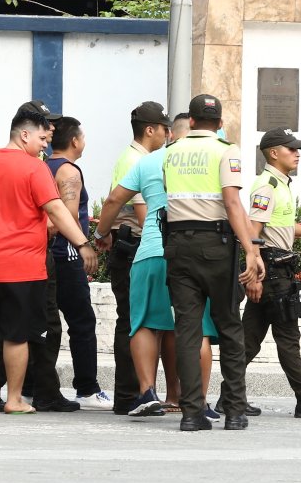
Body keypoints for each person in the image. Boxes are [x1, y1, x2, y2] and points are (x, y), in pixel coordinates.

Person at [0, 109, 98, 414]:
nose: (46, 145)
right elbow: (57, 211)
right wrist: (83, 243)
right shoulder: (34, 169)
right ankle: (15, 399)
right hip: (20, 265)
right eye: (43, 138)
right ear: (24, 135)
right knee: (17, 333)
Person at [96, 113, 219, 419]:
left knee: (144, 324)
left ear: (170, 134)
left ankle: (147, 393)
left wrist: (100, 234)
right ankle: (199, 400)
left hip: (150, 249)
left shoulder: (148, 162)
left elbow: (113, 200)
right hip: (192, 252)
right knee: (197, 328)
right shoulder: (209, 160)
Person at [162, 94, 263, 431]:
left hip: (177, 246)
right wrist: (250, 249)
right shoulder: (225, 150)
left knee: (187, 332)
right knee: (230, 327)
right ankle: (235, 412)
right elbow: (232, 202)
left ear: (190, 121)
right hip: (217, 246)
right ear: (219, 124)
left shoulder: (171, 152)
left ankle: (191, 413)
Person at [241, 128, 301, 419]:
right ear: (273, 153)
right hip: (271, 269)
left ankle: (228, 394)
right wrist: (256, 274)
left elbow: (283, 226)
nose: (297, 154)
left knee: (249, 338)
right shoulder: (266, 185)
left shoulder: (281, 184)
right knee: (287, 336)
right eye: (291, 149)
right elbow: (254, 232)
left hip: (275, 266)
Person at [98, 101, 172, 415]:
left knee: (144, 321)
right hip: (135, 248)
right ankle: (130, 395)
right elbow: (144, 214)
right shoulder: (136, 159)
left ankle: (142, 393)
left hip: (138, 247)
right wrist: (101, 233)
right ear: (150, 129)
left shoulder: (140, 158)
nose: (169, 133)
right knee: (134, 321)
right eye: (165, 127)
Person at [45, 116, 111, 410]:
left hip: (44, 255)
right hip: (66, 253)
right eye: (82, 136)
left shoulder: (41, 166)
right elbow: (68, 215)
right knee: (82, 323)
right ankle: (87, 388)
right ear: (75, 141)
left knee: (45, 322)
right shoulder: (69, 171)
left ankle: (36, 384)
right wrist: (82, 245)